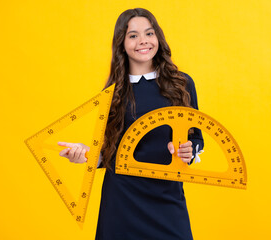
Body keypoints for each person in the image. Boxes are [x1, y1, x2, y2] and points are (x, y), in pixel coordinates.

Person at [58, 8, 204, 240]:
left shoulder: (182, 83)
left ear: (158, 38)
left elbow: (197, 137)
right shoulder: (113, 91)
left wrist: (189, 152)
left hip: (167, 195)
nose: (143, 41)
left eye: (149, 33)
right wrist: (86, 155)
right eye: (133, 35)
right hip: (122, 199)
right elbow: (110, 152)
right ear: (122, 43)